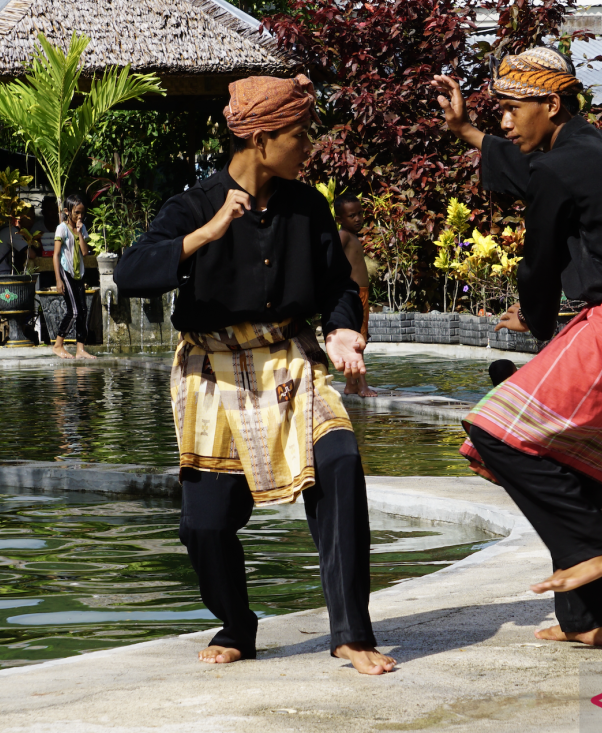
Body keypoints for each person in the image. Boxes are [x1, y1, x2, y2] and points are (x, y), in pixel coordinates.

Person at [113, 74, 394, 676]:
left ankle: (350, 632)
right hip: (213, 372)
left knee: (340, 466)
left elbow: (340, 284)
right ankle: (237, 623)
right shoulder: (192, 204)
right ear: (262, 139)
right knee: (204, 524)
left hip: (291, 361)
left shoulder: (307, 204)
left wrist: (344, 327)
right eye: (299, 134)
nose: (308, 146)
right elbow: (132, 273)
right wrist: (208, 232)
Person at [433, 46, 602, 648]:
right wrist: (466, 131)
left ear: (550, 103)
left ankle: (597, 547)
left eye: (512, 108)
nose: (503, 121)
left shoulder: (559, 167)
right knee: (568, 466)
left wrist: (538, 320)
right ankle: (590, 622)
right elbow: (538, 172)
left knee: (494, 433)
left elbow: (539, 262)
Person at [334, 194, 377, 397]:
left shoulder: (352, 237)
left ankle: (351, 384)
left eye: (360, 213)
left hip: (361, 294)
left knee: (359, 339)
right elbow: (331, 259)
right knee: (358, 340)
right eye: (352, 215)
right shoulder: (343, 236)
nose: (358, 218)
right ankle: (362, 386)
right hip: (355, 295)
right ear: (340, 219)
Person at [53, 194, 96, 360]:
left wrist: (79, 232)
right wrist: (58, 279)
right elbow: (56, 255)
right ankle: (58, 344)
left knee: (83, 311)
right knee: (74, 311)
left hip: (79, 272)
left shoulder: (82, 228)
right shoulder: (61, 229)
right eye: (76, 212)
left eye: (82, 213)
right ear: (67, 211)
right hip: (66, 271)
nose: (79, 216)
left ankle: (80, 349)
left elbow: (85, 252)